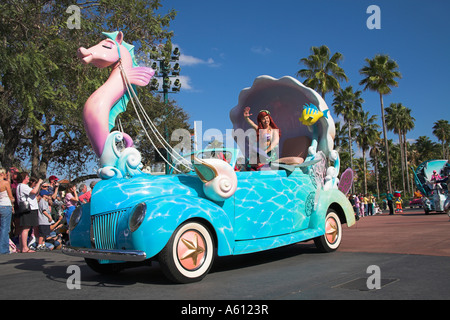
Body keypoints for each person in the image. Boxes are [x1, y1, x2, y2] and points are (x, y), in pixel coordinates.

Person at [16, 173, 43, 253]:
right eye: (27, 177)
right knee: (26, 228)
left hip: (26, 209)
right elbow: (33, 191)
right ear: (24, 178)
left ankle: (22, 247)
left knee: (24, 228)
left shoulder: (20, 186)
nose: (28, 179)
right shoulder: (23, 186)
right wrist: (39, 183)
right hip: (29, 209)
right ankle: (24, 248)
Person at [0, 168, 15, 254]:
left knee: (2, 228)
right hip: (6, 205)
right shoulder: (5, 183)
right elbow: (10, 196)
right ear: (2, 174)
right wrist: (12, 202)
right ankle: (3, 249)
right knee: (5, 228)